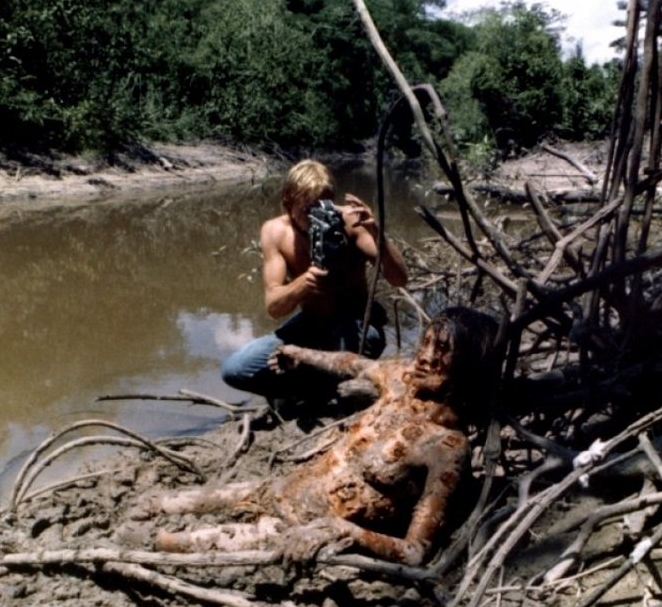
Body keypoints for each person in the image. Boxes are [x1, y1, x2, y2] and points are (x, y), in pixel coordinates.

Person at [131, 307, 500, 566]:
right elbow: (351, 363)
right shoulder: (401, 379)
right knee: (160, 504)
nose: (425, 357)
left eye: (443, 350)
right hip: (276, 488)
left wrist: (345, 532)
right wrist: (299, 354)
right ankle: (154, 514)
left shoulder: (447, 447)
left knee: (167, 544)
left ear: (469, 364)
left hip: (294, 530)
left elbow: (417, 552)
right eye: (426, 343)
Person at [220, 159, 409, 400]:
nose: (317, 217)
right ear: (288, 203)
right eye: (307, 209)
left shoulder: (351, 223)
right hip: (310, 323)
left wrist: (377, 233)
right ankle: (313, 388)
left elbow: (400, 279)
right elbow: (274, 307)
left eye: (324, 206)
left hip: (355, 323)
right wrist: (303, 283)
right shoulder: (275, 232)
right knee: (236, 369)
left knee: (351, 356)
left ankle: (320, 387)